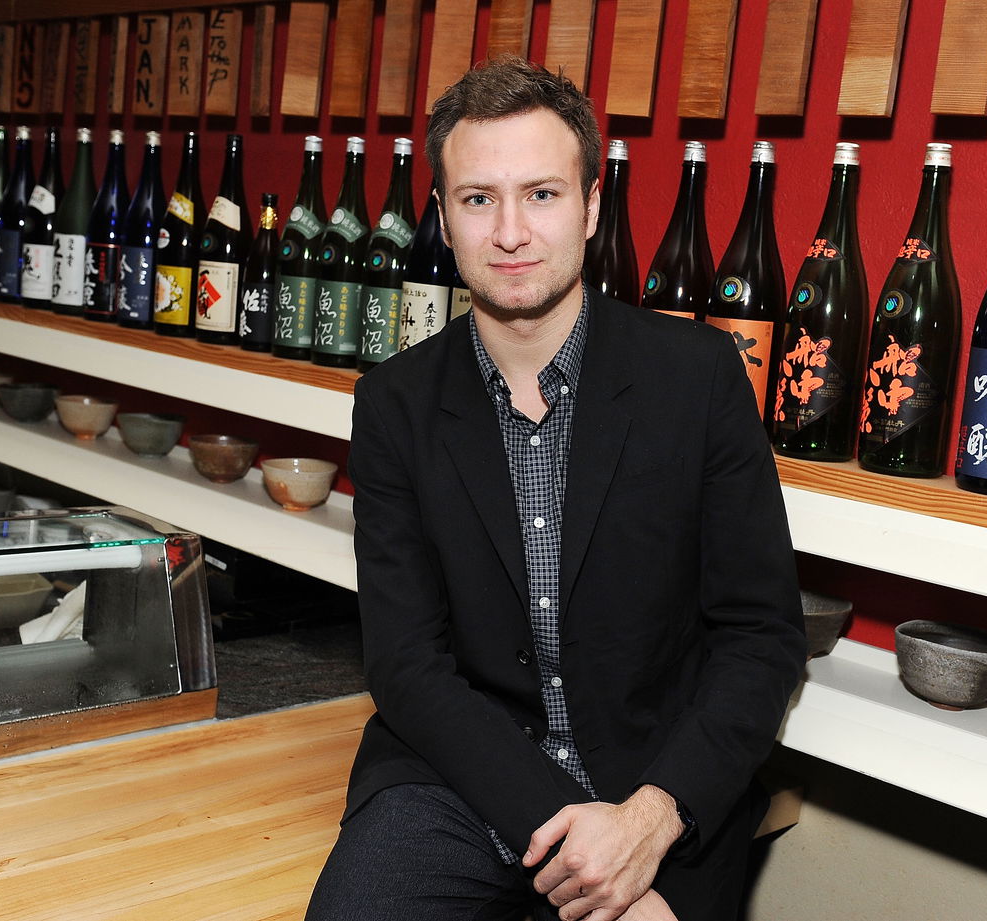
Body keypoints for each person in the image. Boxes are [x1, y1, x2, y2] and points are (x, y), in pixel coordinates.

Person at [305, 56, 805, 921]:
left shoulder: (697, 377)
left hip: (651, 784)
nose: (510, 233)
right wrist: (575, 837)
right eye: (478, 199)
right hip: (460, 774)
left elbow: (761, 636)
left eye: (541, 194)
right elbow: (407, 663)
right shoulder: (395, 403)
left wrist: (651, 821)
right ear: (444, 218)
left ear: (591, 205)